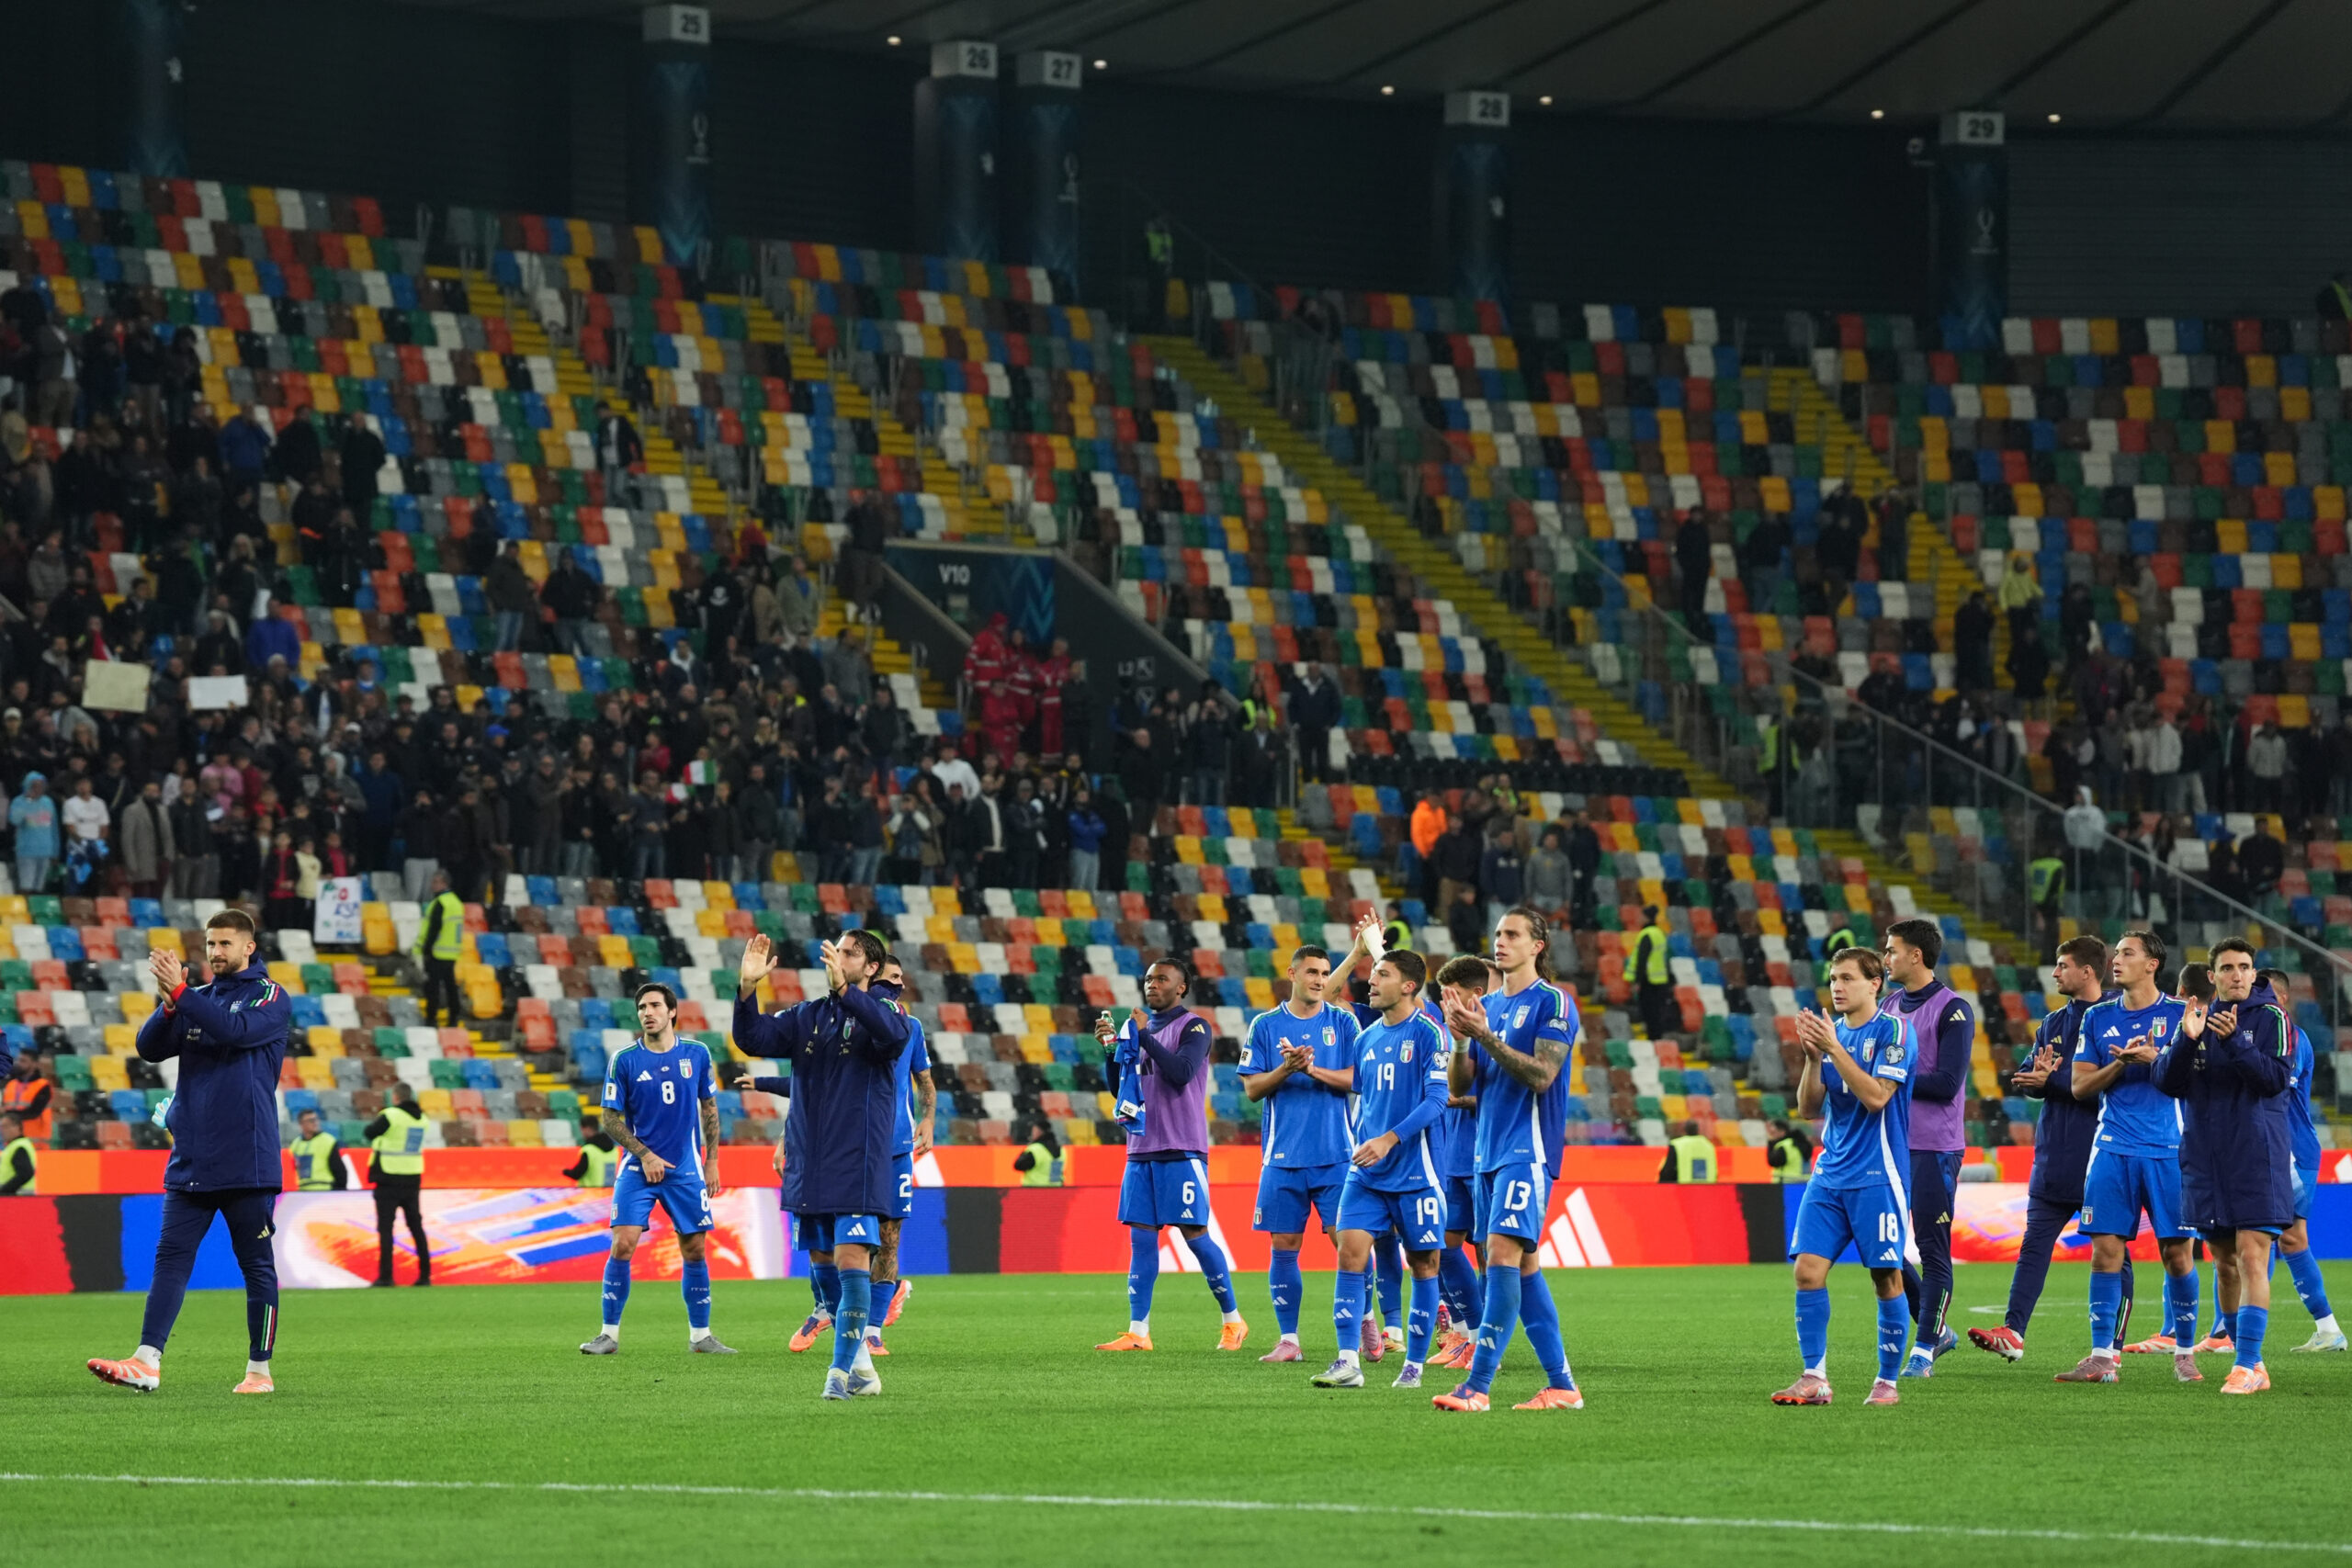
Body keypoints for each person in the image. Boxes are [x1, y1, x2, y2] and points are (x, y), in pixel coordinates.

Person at [89, 909, 291, 1396]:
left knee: (256, 1265)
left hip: (247, 1157)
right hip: (193, 1156)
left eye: (225, 943)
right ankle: (146, 1360)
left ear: (248, 946)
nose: (215, 952)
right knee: (170, 1258)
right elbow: (149, 1048)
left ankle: (259, 1371)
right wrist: (170, 1005)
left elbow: (235, 1032)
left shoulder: (271, 997)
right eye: (210, 944)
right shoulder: (196, 999)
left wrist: (182, 996)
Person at [732, 929, 910, 1398]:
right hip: (809, 1161)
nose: (837, 955)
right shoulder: (808, 1015)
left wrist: (846, 992)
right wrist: (748, 989)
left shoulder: (889, 1013)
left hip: (858, 1161)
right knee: (821, 1262)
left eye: (849, 951)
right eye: (837, 949)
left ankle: (836, 1374)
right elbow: (752, 1037)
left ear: (870, 967)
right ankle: (865, 1371)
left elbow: (892, 1038)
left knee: (852, 1261)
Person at [1432, 906, 1583, 1413]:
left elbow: (1542, 1075)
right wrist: (1459, 1041)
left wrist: (1485, 1037)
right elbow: (1460, 1086)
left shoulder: (1554, 1003)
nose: (1501, 941)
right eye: (1497, 933)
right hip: (1486, 1154)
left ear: (1537, 945)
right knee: (1524, 1269)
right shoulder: (1488, 1004)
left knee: (1500, 1256)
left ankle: (1477, 1386)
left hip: (1528, 1148)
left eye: (1512, 934)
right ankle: (1562, 1385)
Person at [1970, 936, 2136, 1362]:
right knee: (2033, 1246)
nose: (2055, 972)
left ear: (2087, 971)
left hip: (2104, 1154)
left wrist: (2053, 1082)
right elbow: (2032, 1075)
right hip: (2054, 1155)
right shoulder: (2053, 1022)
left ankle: (2111, 1347)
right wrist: (2032, 1077)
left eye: (2063, 965)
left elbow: (2114, 1088)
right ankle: (2013, 1331)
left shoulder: (2118, 1020)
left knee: (2113, 1251)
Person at [2054, 929, 2200, 1384]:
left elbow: (2197, 1082)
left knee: (2177, 1254)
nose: (2116, 960)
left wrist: (2158, 1060)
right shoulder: (2098, 1017)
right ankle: (2102, 1357)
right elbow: (2079, 1086)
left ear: (2152, 964)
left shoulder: (2181, 1015)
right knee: (2104, 1252)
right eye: (2116, 953)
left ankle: (2184, 1352)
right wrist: (2121, 1063)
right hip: (2113, 1148)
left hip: (2168, 1150)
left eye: (2127, 953)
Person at [1771, 947, 1913, 1407]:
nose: (1837, 986)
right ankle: (1814, 1376)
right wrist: (1814, 1059)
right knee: (1807, 1272)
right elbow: (1809, 1109)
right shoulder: (1831, 1038)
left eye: (1848, 978)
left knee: (1885, 1277)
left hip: (1878, 1174)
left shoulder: (1894, 1031)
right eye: (1833, 978)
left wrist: (1834, 1048)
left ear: (1875, 984)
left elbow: (1876, 1098)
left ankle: (1887, 1381)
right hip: (1830, 1174)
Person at [2154, 939, 2294, 1394]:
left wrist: (2233, 1040)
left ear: (2255, 974)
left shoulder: (2270, 1018)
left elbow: (2273, 1081)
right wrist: (2185, 1040)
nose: (2237, 975)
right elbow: (2167, 1084)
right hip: (2205, 1159)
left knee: (2253, 1254)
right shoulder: (2193, 1019)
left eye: (2245, 967)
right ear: (2211, 976)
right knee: (2224, 1262)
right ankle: (2241, 1351)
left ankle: (2250, 1363)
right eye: (2228, 968)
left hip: (2256, 1156)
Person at [1091, 957, 1248, 1355]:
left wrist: (1143, 1038)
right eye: (1148, 978)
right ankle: (1138, 1331)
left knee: (1195, 1237)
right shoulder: (1138, 1031)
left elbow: (1180, 1072)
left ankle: (1233, 1321)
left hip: (1182, 1147)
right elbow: (1119, 1087)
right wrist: (1112, 1050)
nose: (1152, 984)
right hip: (1141, 1149)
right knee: (1141, 1241)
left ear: (1181, 987)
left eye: (1162, 979)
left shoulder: (1194, 1026)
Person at [1312, 948, 1449, 1392]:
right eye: (1372, 974)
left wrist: (1390, 1138)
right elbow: (1364, 1090)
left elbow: (1436, 1101)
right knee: (1349, 1254)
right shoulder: (1366, 1038)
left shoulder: (1430, 1033)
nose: (1371, 981)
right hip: (1366, 1173)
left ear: (1408, 986)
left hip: (1415, 1174)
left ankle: (1414, 1365)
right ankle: (1348, 1360)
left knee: (1424, 1264)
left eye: (1382, 974)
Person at [578, 982, 733, 1356]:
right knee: (623, 1243)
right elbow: (610, 1120)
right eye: (642, 1007)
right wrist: (644, 1154)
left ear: (672, 1012)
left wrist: (711, 1160)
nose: (647, 1012)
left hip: (685, 1168)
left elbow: (709, 1109)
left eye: (654, 1006)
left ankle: (701, 1336)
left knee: (695, 1249)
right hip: (637, 1168)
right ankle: (608, 1334)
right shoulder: (625, 1060)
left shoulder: (696, 1054)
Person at [1239, 943, 1360, 1365]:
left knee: (1350, 1246)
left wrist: (1310, 1070)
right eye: (1311, 971)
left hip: (1336, 1154)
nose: (1319, 979)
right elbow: (1253, 1089)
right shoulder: (1265, 1025)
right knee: (1284, 1246)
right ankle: (1289, 1340)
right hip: (1283, 1157)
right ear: (1292, 973)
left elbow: (1357, 1079)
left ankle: (1364, 1320)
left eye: (1325, 973)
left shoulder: (1343, 1023)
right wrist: (1285, 1070)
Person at [1880, 917, 1974, 1378]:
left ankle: (1923, 1350)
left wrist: (1892, 1076)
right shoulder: (1889, 1006)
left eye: (1892, 949)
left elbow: (1948, 1083)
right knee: (1881, 1247)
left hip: (1934, 1147)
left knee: (1931, 1249)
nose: (1886, 957)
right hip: (1889, 1145)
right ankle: (1937, 1331)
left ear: (1915, 955)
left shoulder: (1954, 1009)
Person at [2259, 967, 2346, 1354]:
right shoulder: (2264, 1035)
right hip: (2270, 1147)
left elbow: (2272, 1090)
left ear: (2283, 999)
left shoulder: (2292, 1038)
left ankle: (2328, 1329)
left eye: (2268, 998)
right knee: (2260, 1236)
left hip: (2291, 1149)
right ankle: (2228, 1332)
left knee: (2289, 1236)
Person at [1427, 954, 1493, 1370]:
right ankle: (1467, 1334)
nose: (1444, 1002)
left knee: (1489, 1252)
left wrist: (1463, 1098)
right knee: (1444, 1246)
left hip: (1487, 1155)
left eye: (1451, 994)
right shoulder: (1449, 1033)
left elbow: (1509, 1091)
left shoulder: (1496, 1030)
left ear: (1477, 994)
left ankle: (1486, 1344)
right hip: (1453, 1156)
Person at [362, 1084, 432, 1287]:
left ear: (396, 1097)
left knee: (386, 1228)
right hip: (412, 1176)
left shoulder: (391, 1115)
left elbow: (370, 1132)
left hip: (388, 1176)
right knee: (416, 1226)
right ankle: (425, 1275)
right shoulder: (422, 1119)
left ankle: (386, 1276)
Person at [414, 870, 464, 1029]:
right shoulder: (456, 902)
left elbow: (433, 929)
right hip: (452, 953)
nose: (432, 885)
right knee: (451, 988)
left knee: (432, 988)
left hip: (437, 952)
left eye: (435, 882)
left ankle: (431, 1019)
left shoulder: (440, 903)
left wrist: (425, 951)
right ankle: (454, 1017)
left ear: (444, 883)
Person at [9, 770, 57, 892]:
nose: (38, 789)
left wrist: (55, 851)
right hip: (26, 851)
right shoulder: (18, 801)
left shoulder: (48, 802)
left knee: (39, 887)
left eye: (41, 786)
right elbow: (15, 820)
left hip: (45, 851)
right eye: (35, 785)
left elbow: (54, 828)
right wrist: (27, 802)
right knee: (26, 886)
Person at [1632, 905, 1674, 1042]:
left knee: (1649, 1014)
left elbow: (1642, 959)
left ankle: (1653, 1041)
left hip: (1648, 981)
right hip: (1661, 980)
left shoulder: (1646, 934)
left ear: (1646, 917)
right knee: (1657, 1014)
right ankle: (1658, 1041)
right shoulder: (1660, 933)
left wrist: (1637, 981)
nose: (1638, 919)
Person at [288, 1107, 345, 1192]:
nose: (315, 1122)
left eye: (316, 1119)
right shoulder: (295, 1144)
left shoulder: (328, 1141)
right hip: (302, 1191)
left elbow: (340, 1171)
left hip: (325, 1189)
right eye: (310, 1120)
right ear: (301, 1124)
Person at [3, 1050, 54, 1143]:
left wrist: (9, 1116)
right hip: (11, 1141)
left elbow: (34, 1112)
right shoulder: (11, 1084)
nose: (19, 1063)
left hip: (36, 1141)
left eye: (23, 1061)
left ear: (35, 1064)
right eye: (18, 1060)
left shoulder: (43, 1086)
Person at [1658, 1119, 1716, 1183]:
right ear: (1698, 1130)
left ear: (1684, 1130)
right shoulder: (1708, 1145)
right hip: (1707, 1188)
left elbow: (1668, 1171)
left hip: (1684, 1188)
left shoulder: (1678, 1145)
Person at [563, 1122, 618, 1188]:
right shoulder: (614, 1150)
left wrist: (564, 1171)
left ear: (587, 1129)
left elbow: (577, 1173)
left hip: (590, 1192)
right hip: (609, 1192)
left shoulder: (588, 1150)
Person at [1012, 1120, 1063, 1187]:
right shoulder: (1061, 1149)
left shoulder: (1036, 1149)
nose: (1032, 1133)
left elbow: (1018, 1165)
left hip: (1035, 1191)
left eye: (1034, 1130)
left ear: (1039, 1132)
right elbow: (1055, 1174)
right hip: (1055, 1190)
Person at [1764, 1117, 1812, 1182]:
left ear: (1782, 1132)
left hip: (1784, 1181)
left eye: (1773, 1133)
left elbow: (1773, 1161)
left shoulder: (1784, 1145)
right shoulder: (1795, 1143)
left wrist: (1770, 1143)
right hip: (1797, 1180)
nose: (1771, 1135)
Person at [0, 1111, 37, 1194]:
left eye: (6, 1126)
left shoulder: (19, 1147)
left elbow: (25, 1173)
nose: (2, 1130)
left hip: (18, 1197)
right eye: (1, 1127)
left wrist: (4, 1191)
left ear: (18, 1127)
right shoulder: (14, 1145)